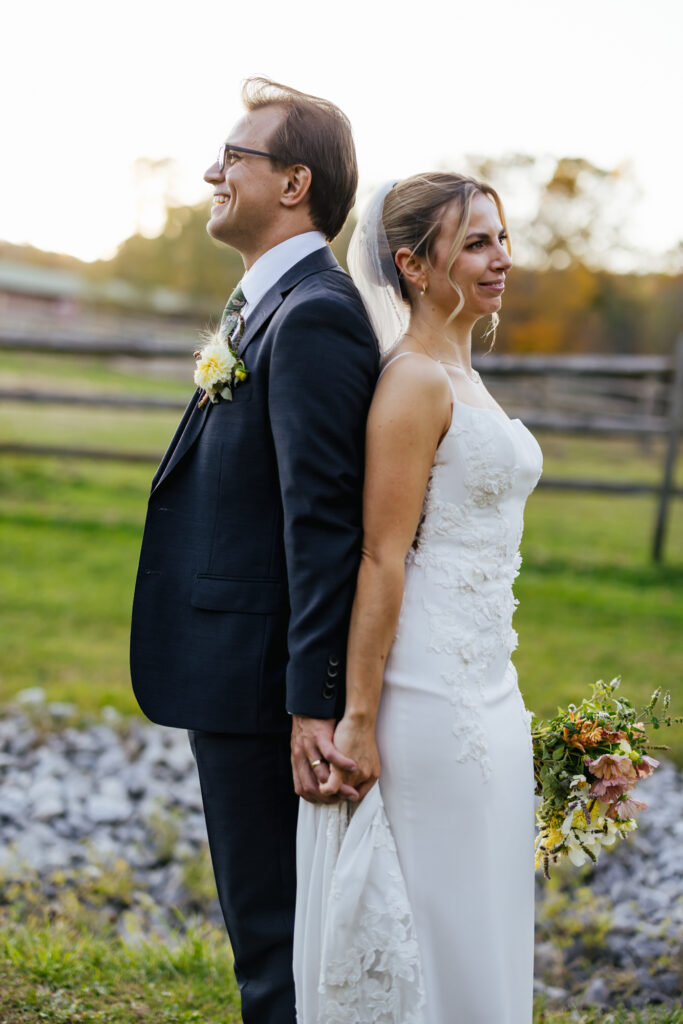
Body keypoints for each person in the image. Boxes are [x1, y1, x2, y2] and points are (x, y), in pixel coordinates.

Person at [130, 78, 379, 1024]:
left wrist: (310, 706)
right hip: (235, 672)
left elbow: (323, 526)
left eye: (233, 155)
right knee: (262, 927)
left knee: (274, 943)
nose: (211, 170)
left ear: (292, 182)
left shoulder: (313, 314)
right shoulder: (271, 304)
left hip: (262, 680)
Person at [294, 174, 543, 1023]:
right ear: (411, 264)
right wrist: (357, 717)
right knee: (441, 909)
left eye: (500, 238)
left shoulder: (462, 374)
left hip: (490, 682)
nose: (500, 257)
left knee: (486, 902)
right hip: (430, 695)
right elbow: (380, 557)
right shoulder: (412, 382)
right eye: (475, 243)